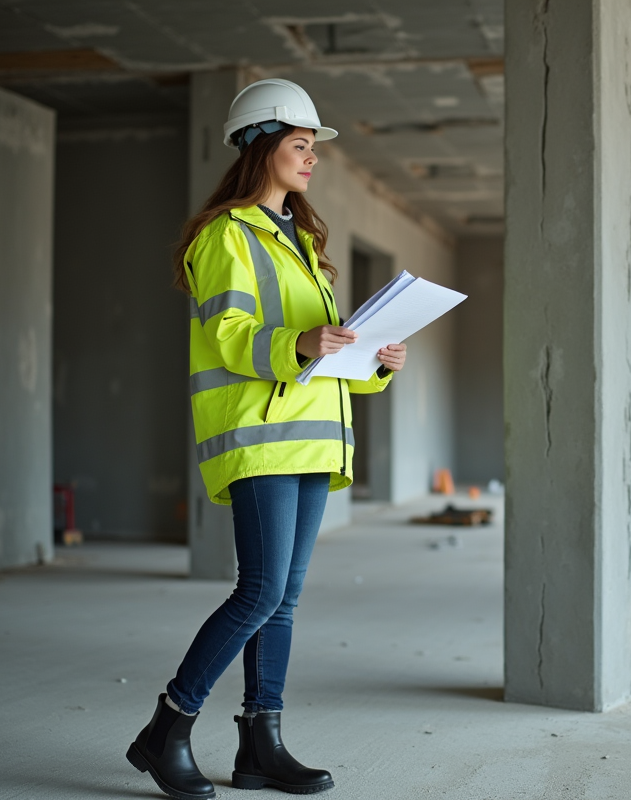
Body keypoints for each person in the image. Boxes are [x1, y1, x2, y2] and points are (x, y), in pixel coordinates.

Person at [126, 78, 406, 799]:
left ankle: (261, 745)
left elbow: (323, 354)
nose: (313, 159)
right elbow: (229, 336)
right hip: (260, 437)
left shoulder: (303, 244)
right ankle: (168, 727)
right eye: (301, 145)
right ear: (260, 146)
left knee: (282, 601)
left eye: (314, 148)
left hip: (311, 439)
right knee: (257, 593)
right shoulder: (227, 235)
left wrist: (373, 361)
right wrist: (302, 340)